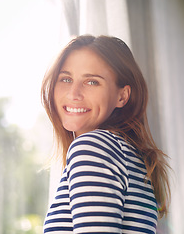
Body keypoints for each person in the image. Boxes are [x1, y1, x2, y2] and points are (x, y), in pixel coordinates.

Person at [41, 35, 171, 233]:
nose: (74, 93)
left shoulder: (93, 148)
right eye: (66, 79)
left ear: (122, 96)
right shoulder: (126, 153)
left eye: (91, 82)